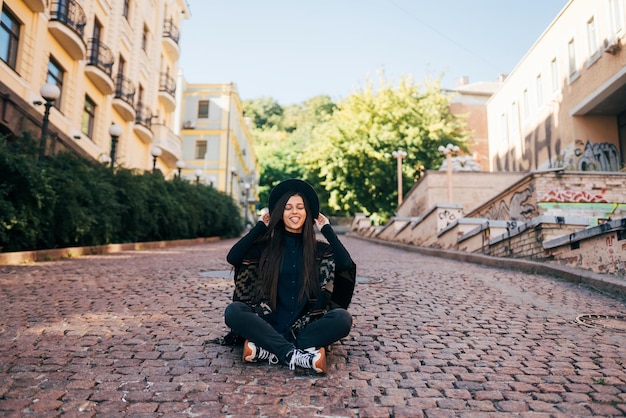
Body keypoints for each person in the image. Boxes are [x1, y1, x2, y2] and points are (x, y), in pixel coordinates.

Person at [224, 179, 356, 374]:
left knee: (343, 319)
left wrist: (327, 229)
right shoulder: (265, 248)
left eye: (300, 207)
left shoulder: (320, 251)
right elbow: (233, 256)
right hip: (267, 323)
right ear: (280, 213)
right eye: (288, 208)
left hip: (305, 327)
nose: (294, 212)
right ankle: (294, 355)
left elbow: (346, 265)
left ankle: (267, 350)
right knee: (233, 311)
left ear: (307, 213)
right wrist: (260, 226)